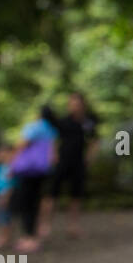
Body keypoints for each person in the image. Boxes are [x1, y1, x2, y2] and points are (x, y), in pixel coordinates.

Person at [41, 91, 98, 240]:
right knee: (51, 194)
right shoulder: (63, 121)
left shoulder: (88, 122)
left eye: (77, 104)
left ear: (83, 105)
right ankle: (45, 225)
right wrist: (52, 155)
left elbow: (94, 141)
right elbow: (53, 139)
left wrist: (89, 158)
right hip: (62, 162)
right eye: (71, 104)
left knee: (76, 196)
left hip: (78, 163)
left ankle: (73, 226)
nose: (74, 107)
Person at [9, 105, 59, 254]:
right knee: (35, 203)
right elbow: (53, 155)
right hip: (42, 171)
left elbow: (21, 145)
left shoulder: (34, 127)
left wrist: (12, 164)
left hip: (28, 171)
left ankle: (29, 238)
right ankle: (32, 237)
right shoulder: (52, 130)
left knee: (27, 204)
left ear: (39, 115)